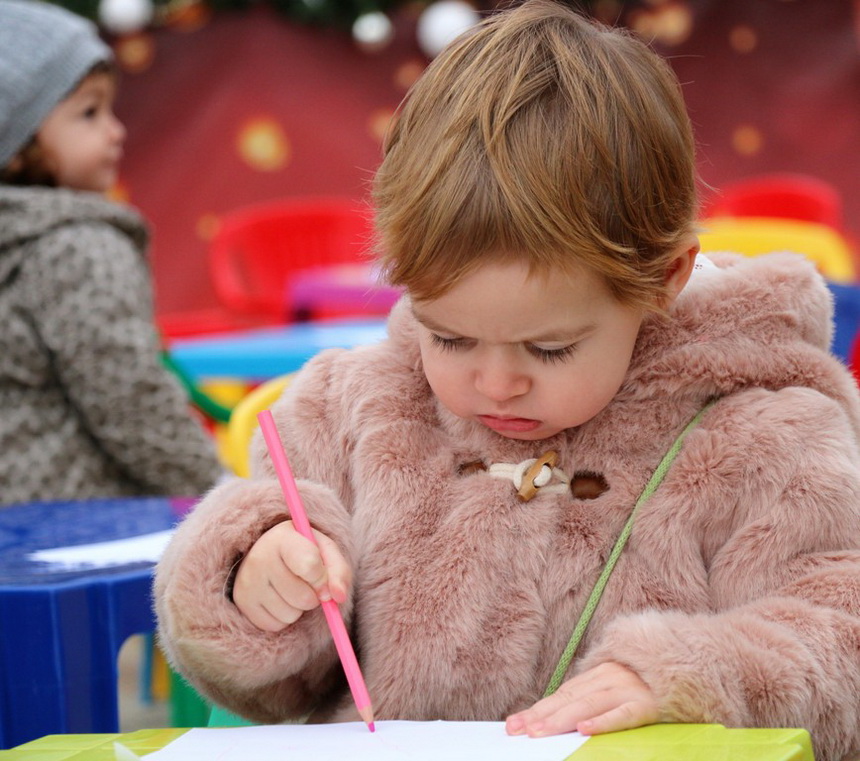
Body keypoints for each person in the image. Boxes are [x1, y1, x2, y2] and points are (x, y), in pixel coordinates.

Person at [155, 1, 860, 758]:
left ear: (664, 278)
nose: (494, 383)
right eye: (449, 335)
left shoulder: (764, 432)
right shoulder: (349, 411)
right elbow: (277, 689)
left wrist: (694, 677)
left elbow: (839, 637)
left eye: (549, 347)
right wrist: (256, 583)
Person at [0, 0, 224, 506]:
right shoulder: (78, 247)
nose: (115, 130)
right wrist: (223, 493)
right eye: (88, 113)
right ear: (15, 143)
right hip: (92, 523)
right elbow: (132, 401)